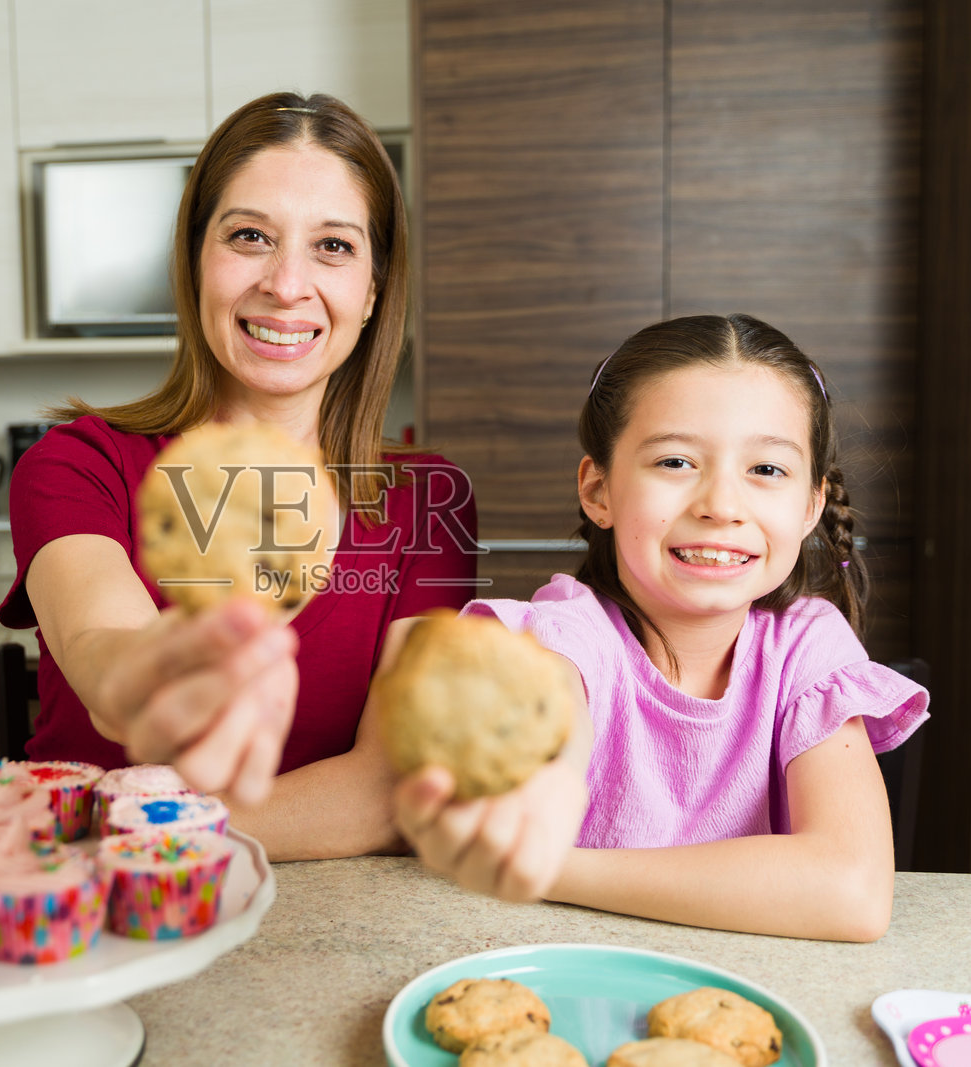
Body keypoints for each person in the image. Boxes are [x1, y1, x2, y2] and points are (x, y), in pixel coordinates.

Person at [0, 91, 480, 862]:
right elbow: (101, 642)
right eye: (250, 236)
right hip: (90, 914)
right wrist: (162, 672)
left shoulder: (425, 500)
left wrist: (143, 827)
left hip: (321, 932)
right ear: (194, 260)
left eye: (333, 247)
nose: (286, 284)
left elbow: (388, 787)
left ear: (375, 288)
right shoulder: (77, 463)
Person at [392, 313, 929, 940]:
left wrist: (553, 870)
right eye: (675, 462)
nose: (721, 506)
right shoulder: (570, 632)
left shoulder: (807, 646)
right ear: (599, 490)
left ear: (811, 505)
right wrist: (539, 785)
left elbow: (852, 892)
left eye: (766, 470)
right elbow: (552, 719)